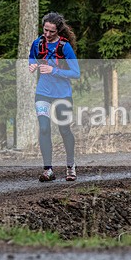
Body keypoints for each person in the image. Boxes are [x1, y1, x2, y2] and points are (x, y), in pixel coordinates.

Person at [28, 12, 81, 181]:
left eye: (51, 31)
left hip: (63, 95)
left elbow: (76, 73)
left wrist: (54, 70)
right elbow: (31, 58)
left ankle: (71, 166)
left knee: (64, 130)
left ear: (58, 30)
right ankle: (48, 169)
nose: (48, 34)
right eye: (45, 30)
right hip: (42, 93)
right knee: (44, 128)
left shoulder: (65, 47)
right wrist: (33, 65)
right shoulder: (37, 43)